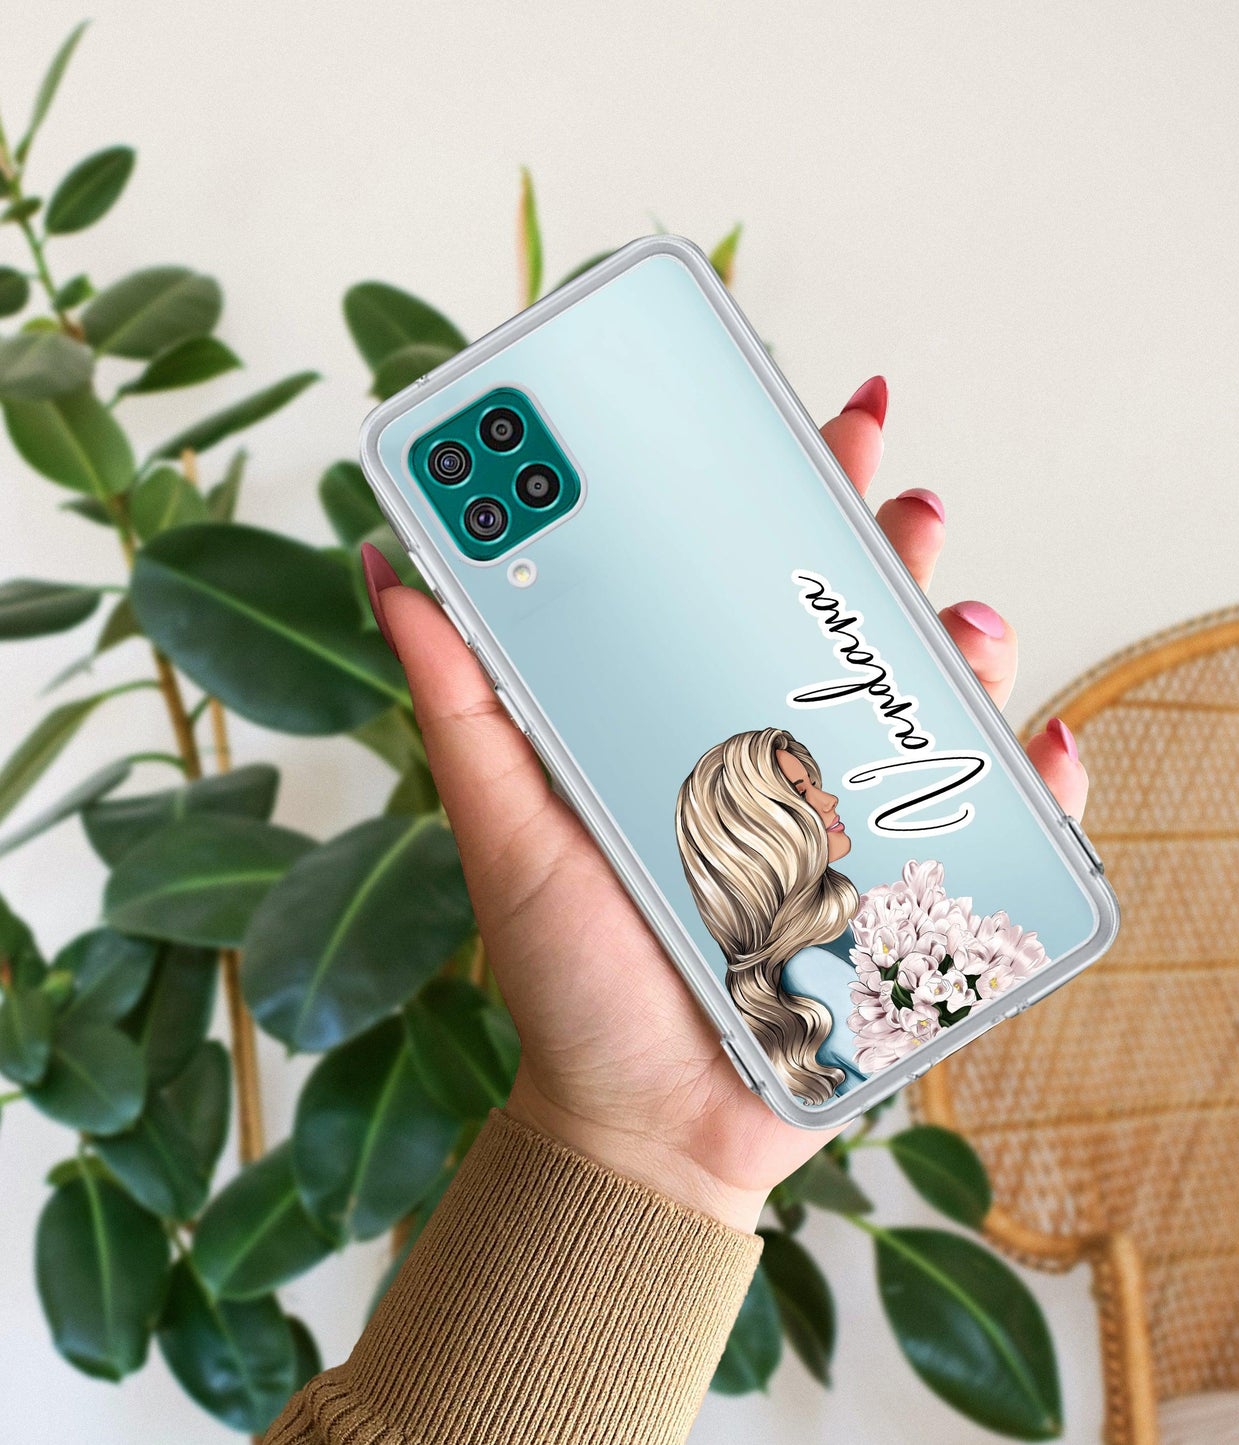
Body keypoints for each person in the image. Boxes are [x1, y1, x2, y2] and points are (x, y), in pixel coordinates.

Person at [264, 376, 1088, 1445]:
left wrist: (641, 1149)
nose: (833, 796)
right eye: (805, 783)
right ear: (754, 823)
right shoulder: (833, 969)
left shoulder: (839, 958)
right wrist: (648, 1151)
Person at [676, 726, 866, 1103]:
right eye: (801, 794)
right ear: (759, 835)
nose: (829, 800)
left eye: (815, 785)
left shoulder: (832, 934)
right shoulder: (808, 969)